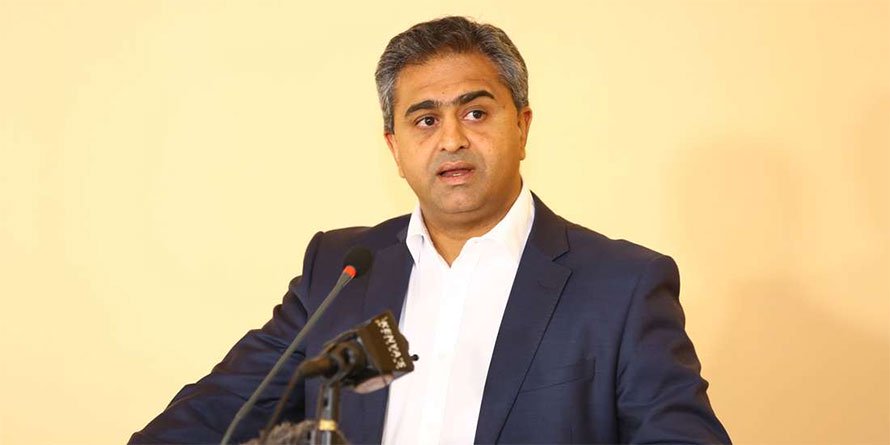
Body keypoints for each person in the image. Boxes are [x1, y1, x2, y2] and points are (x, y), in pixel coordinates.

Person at [130, 16, 730, 444]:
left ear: (522, 126)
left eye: (476, 112)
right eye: (424, 120)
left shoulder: (621, 286)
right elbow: (220, 411)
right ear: (394, 147)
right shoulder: (341, 269)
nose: (451, 139)